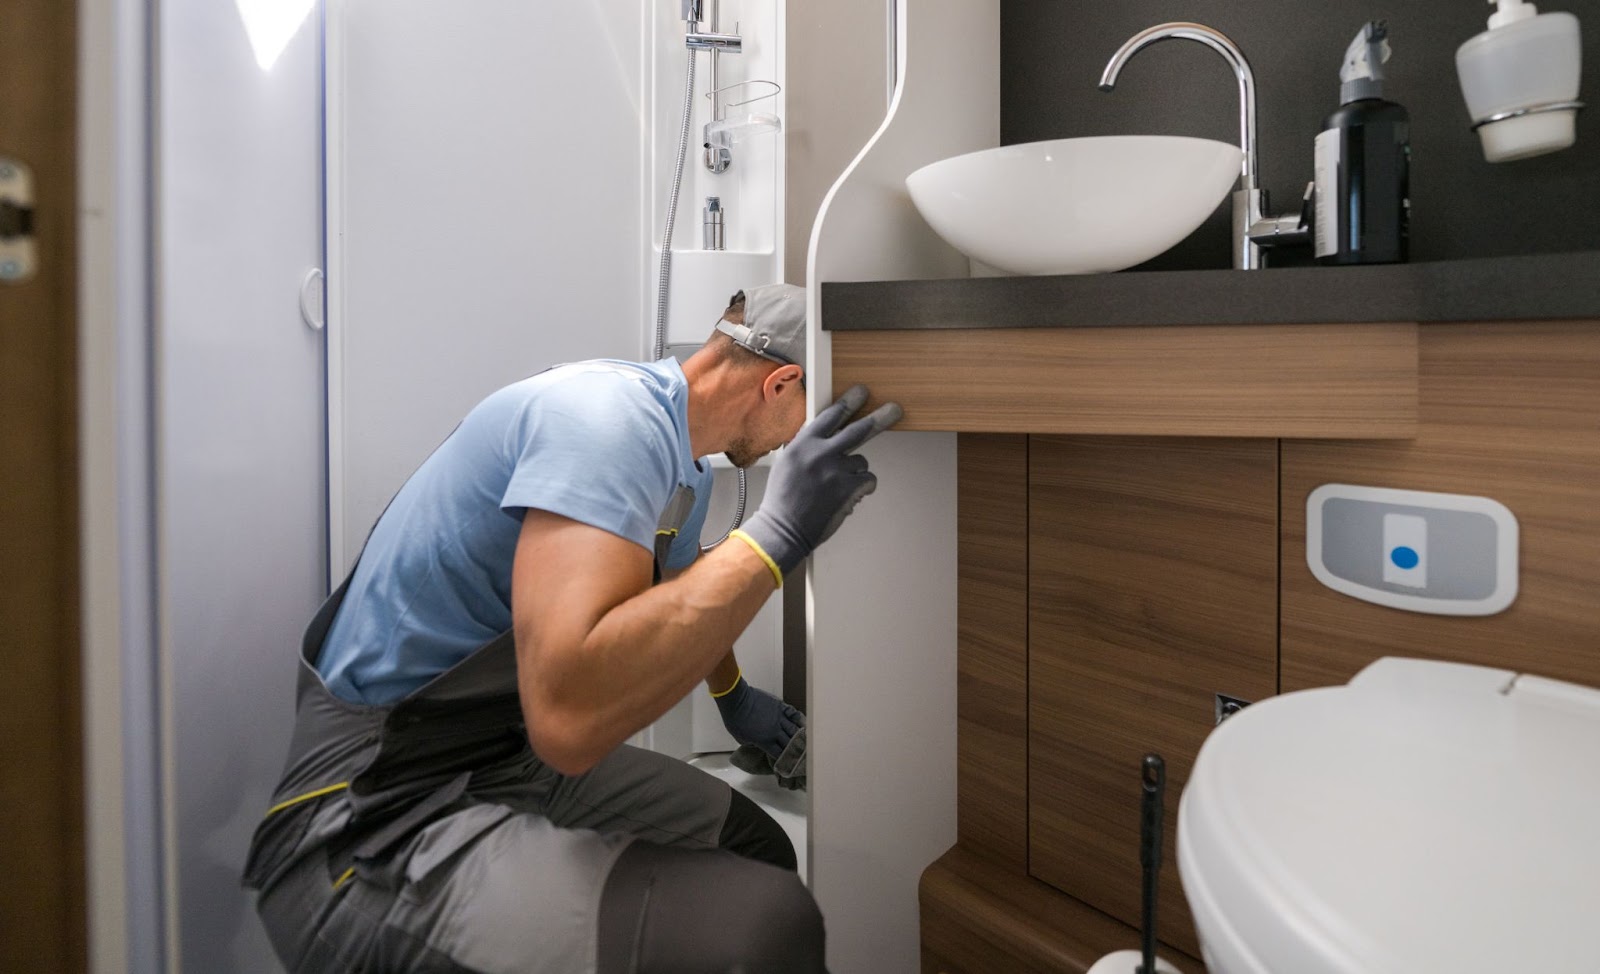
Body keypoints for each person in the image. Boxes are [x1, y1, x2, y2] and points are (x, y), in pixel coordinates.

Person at [243, 283, 901, 974]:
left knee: (751, 845)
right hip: (370, 818)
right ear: (782, 382)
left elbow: (677, 599)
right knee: (765, 927)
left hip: (499, 758)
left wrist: (733, 699)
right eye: (810, 419)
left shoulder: (686, 469)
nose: (797, 443)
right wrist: (778, 534)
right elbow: (569, 720)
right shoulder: (606, 420)